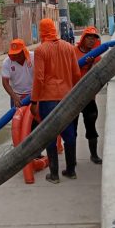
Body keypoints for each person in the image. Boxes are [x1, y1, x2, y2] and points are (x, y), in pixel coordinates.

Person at [31, 18, 81, 184]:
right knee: (69, 134)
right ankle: (71, 170)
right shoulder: (69, 47)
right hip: (67, 97)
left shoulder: (41, 50)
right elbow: (76, 74)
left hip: (48, 99)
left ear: (41, 31)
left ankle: (54, 174)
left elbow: (38, 78)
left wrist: (33, 101)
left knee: (50, 136)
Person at [73, 26, 103, 164]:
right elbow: (70, 73)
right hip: (73, 97)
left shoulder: (96, 57)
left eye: (94, 38)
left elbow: (97, 77)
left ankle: (94, 155)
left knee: (91, 126)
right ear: (83, 39)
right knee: (71, 130)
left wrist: (90, 65)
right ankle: (71, 159)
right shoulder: (73, 53)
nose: (91, 41)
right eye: (89, 37)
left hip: (89, 98)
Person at [2, 39, 35, 107]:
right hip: (17, 96)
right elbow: (5, 83)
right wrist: (14, 97)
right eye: (13, 53)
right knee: (16, 116)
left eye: (18, 53)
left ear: (24, 51)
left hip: (34, 94)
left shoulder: (34, 57)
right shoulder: (7, 62)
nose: (15, 56)